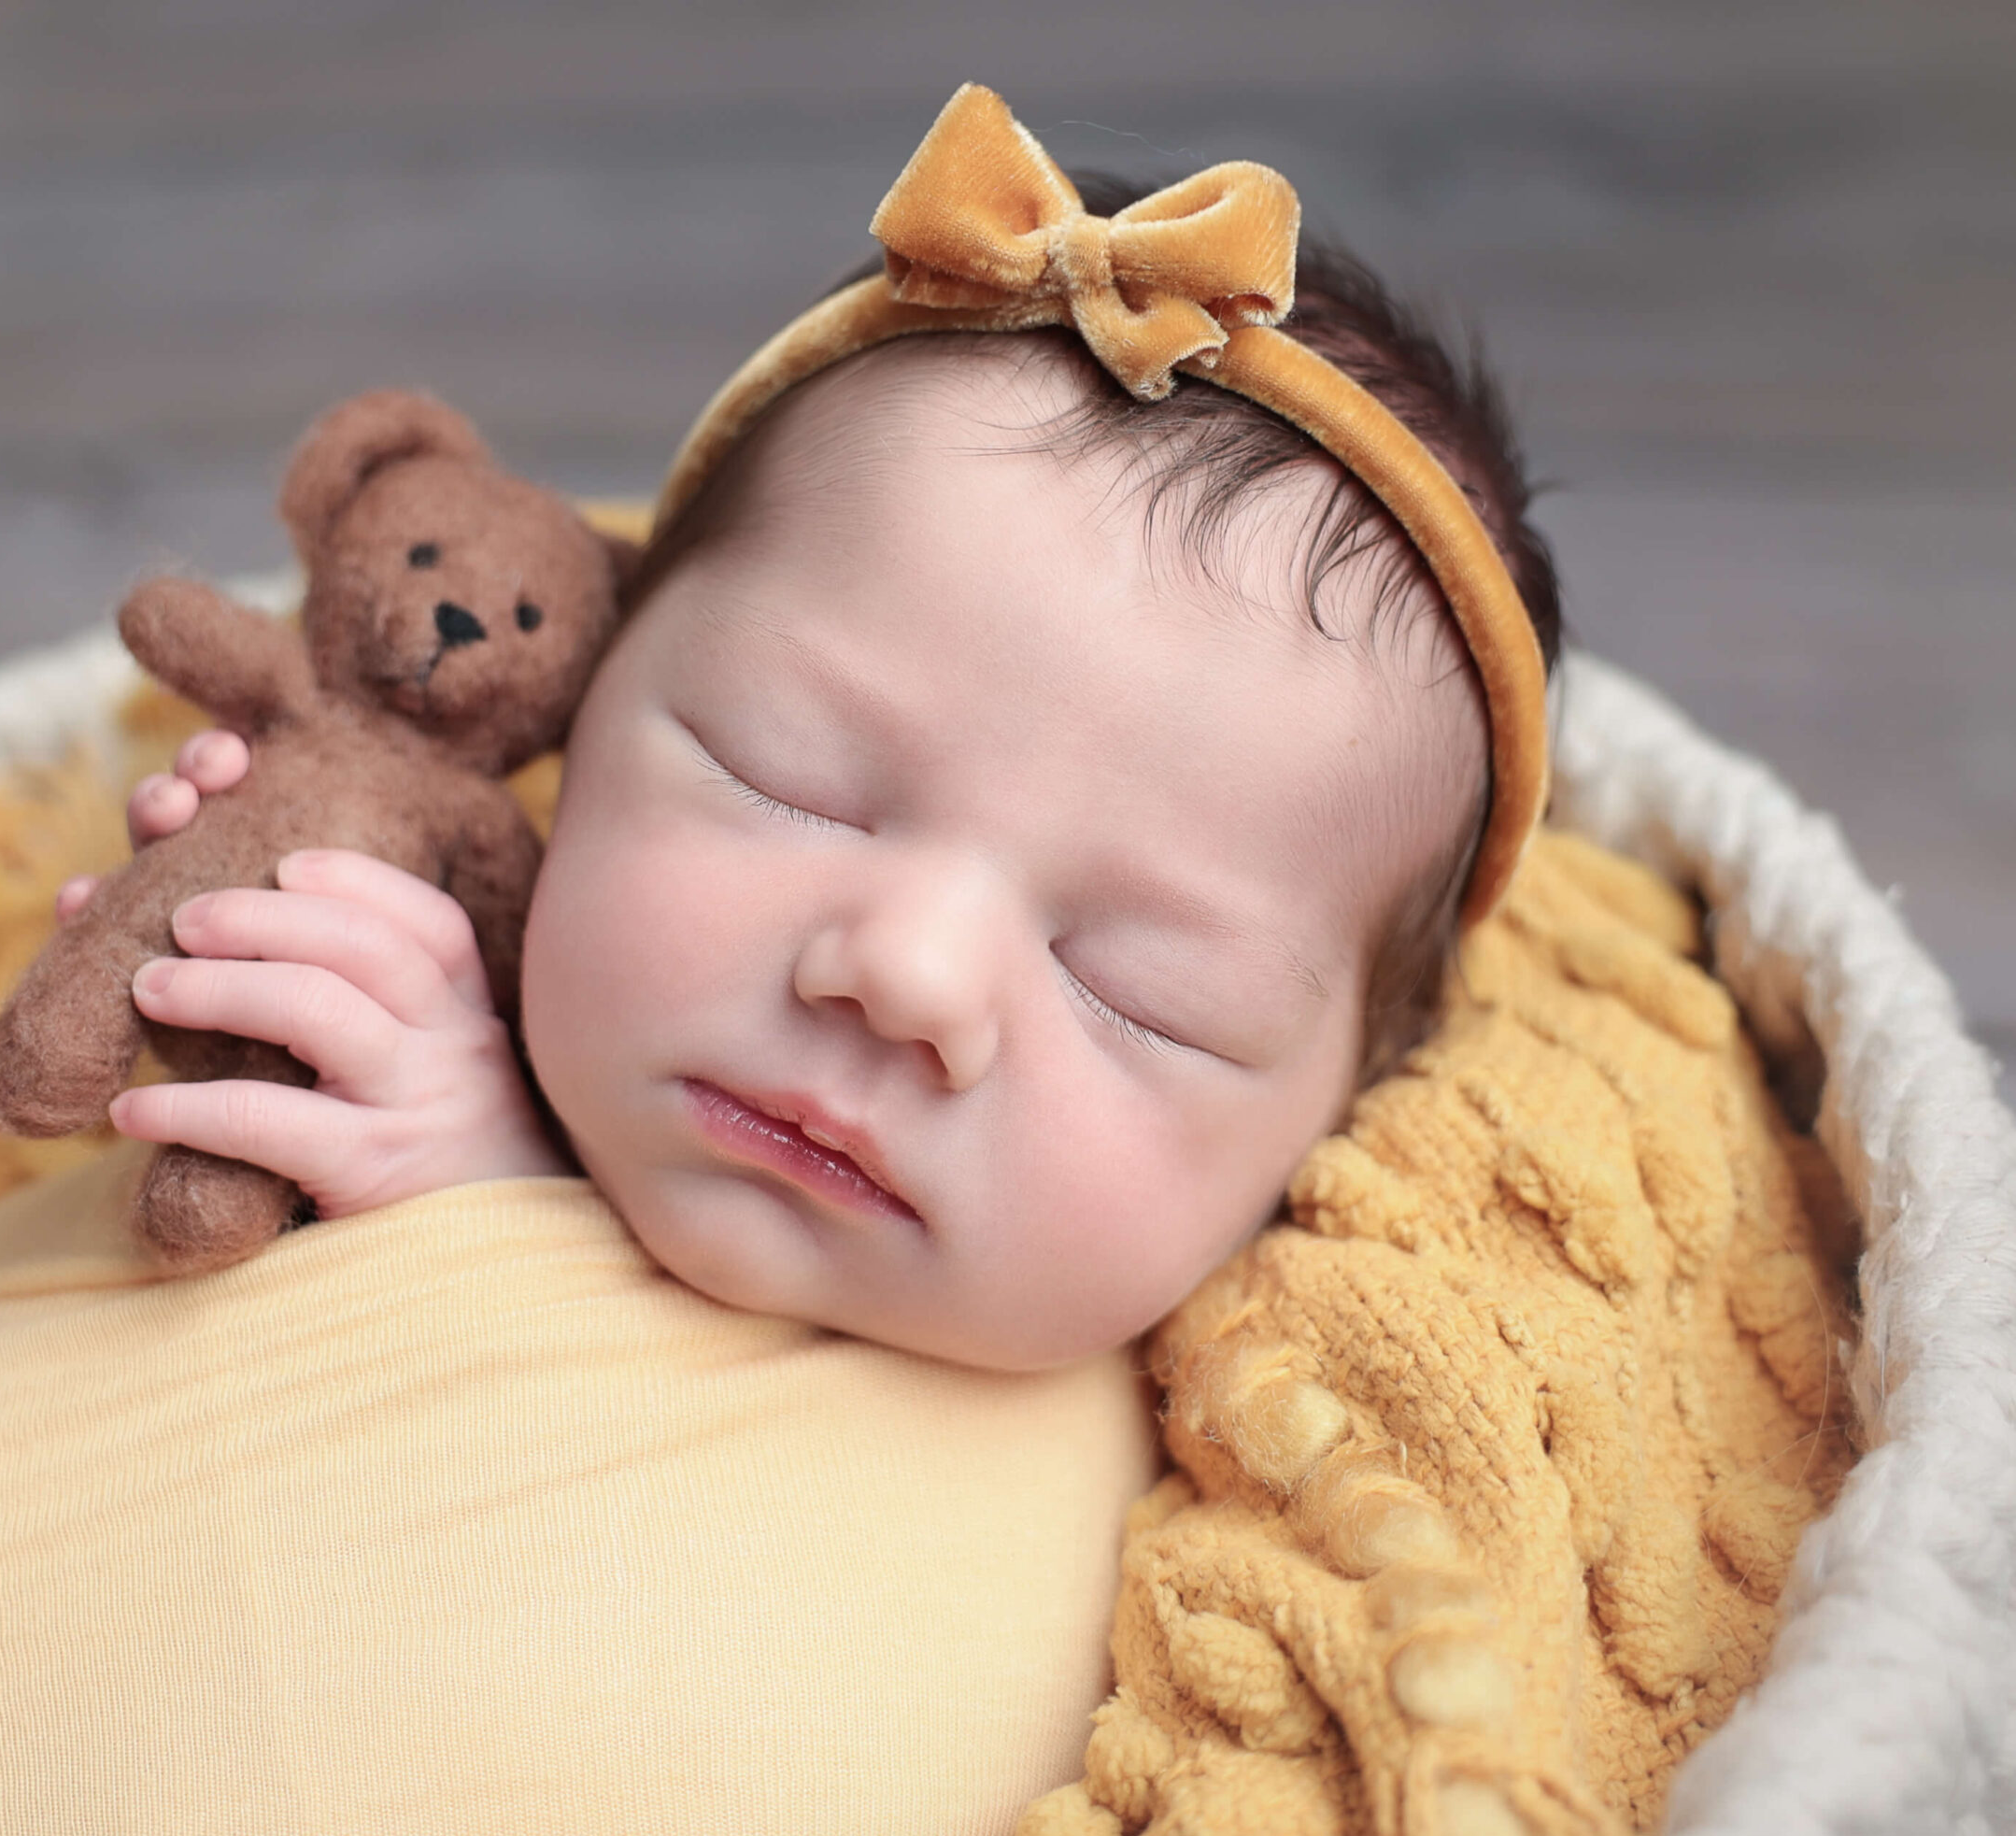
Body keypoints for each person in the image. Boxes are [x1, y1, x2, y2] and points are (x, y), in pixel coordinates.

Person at [77, 92, 1558, 1373]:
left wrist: (493, 1220)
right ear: (582, 704)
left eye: (1139, 993)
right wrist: (256, 997)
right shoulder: (464, 1007)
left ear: (1345, 1112)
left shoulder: (1224, 1454)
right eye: (785, 781)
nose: (907, 975)